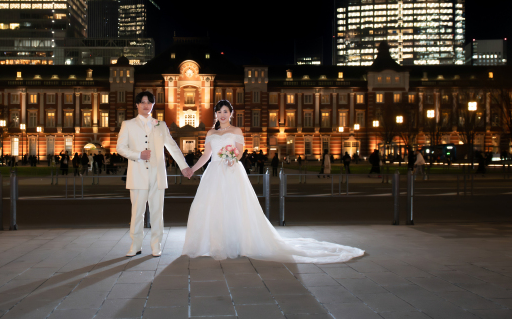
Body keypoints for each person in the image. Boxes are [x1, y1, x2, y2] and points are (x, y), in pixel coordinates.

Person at [183, 100, 363, 263]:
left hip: (231, 171)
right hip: (214, 173)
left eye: (225, 111)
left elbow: (240, 152)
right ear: (215, 114)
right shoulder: (211, 133)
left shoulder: (236, 131)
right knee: (212, 207)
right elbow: (206, 155)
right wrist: (192, 168)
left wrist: (233, 159)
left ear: (231, 113)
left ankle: (240, 243)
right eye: (219, 112)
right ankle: (215, 243)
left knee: (236, 207)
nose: (222, 115)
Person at [117, 91, 193, 257]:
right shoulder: (128, 125)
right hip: (137, 175)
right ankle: (135, 245)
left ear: (153, 105)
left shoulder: (161, 125)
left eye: (149, 102)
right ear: (137, 105)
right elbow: (120, 148)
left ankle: (156, 245)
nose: (146, 105)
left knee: (157, 212)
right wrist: (138, 155)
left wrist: (184, 167)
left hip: (157, 175)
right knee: (137, 212)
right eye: (142, 102)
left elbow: (172, 147)